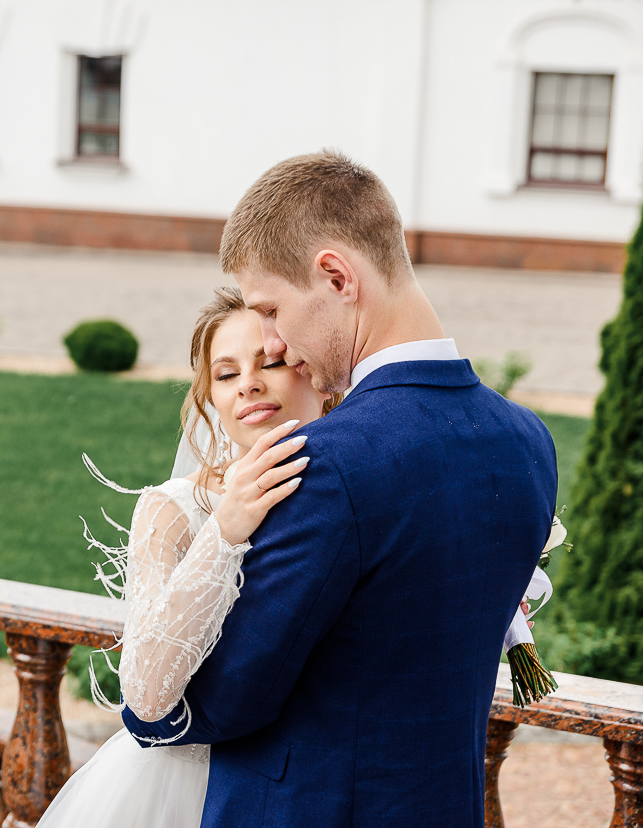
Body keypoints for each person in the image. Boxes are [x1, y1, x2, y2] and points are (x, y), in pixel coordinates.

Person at [122, 151, 558, 827]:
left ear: (335, 276)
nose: (275, 341)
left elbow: (225, 697)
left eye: (271, 309)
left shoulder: (324, 464)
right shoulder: (527, 442)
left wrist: (148, 715)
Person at [39, 286, 331, 828]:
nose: (248, 383)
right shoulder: (174, 510)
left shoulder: (348, 497)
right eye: (226, 374)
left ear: (316, 374)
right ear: (211, 399)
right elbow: (147, 693)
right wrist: (225, 530)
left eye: (271, 361)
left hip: (311, 785)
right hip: (180, 789)